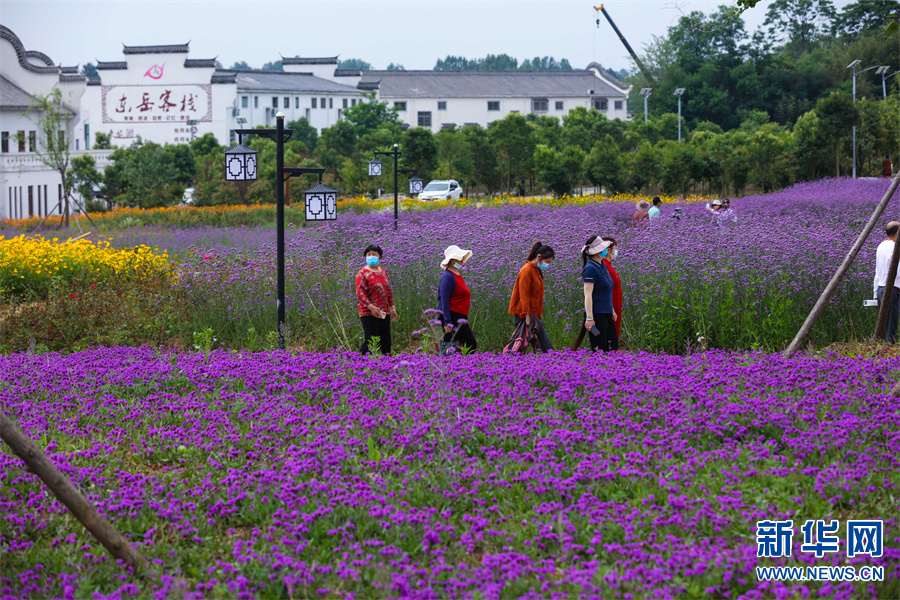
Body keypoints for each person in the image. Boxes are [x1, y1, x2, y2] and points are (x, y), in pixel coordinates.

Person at [509, 241, 555, 352]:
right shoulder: (527, 270)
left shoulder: (536, 270)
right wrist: (527, 315)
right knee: (520, 347)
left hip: (533, 316)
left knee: (539, 345)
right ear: (539, 257)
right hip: (524, 316)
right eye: (547, 261)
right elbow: (523, 295)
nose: (547, 265)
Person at [355, 244, 398, 355]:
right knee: (371, 340)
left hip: (383, 311)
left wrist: (392, 308)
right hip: (368, 312)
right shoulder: (362, 273)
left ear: (380, 257)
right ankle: (361, 363)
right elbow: (360, 293)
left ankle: (386, 365)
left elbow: (388, 291)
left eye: (374, 254)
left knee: (386, 341)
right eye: (368, 254)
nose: (371, 256)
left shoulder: (383, 271)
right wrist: (371, 307)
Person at [581, 235, 618, 352]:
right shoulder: (590, 269)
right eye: (604, 248)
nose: (607, 250)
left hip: (607, 314)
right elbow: (587, 295)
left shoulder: (602, 265)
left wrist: (611, 309)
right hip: (596, 317)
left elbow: (606, 291)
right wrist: (590, 318)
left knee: (613, 345)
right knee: (599, 347)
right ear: (598, 251)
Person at [438, 245, 477, 352]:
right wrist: (447, 322)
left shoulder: (457, 274)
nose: (461, 262)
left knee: (458, 346)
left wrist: (464, 316)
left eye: (461, 259)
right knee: (466, 344)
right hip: (452, 316)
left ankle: (459, 366)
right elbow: (444, 301)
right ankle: (453, 367)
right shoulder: (448, 277)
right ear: (451, 261)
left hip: (460, 316)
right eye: (459, 259)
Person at [874, 221, 900, 344]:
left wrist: (875, 292)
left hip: (881, 288)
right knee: (891, 325)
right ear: (897, 233)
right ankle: (887, 355)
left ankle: (879, 349)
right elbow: (897, 271)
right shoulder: (895, 248)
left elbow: (877, 271)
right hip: (892, 289)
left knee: (883, 324)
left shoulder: (881, 246)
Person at [602, 236, 623, 343]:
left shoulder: (608, 265)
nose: (616, 251)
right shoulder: (604, 266)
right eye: (615, 249)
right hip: (610, 305)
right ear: (609, 251)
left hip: (615, 303)